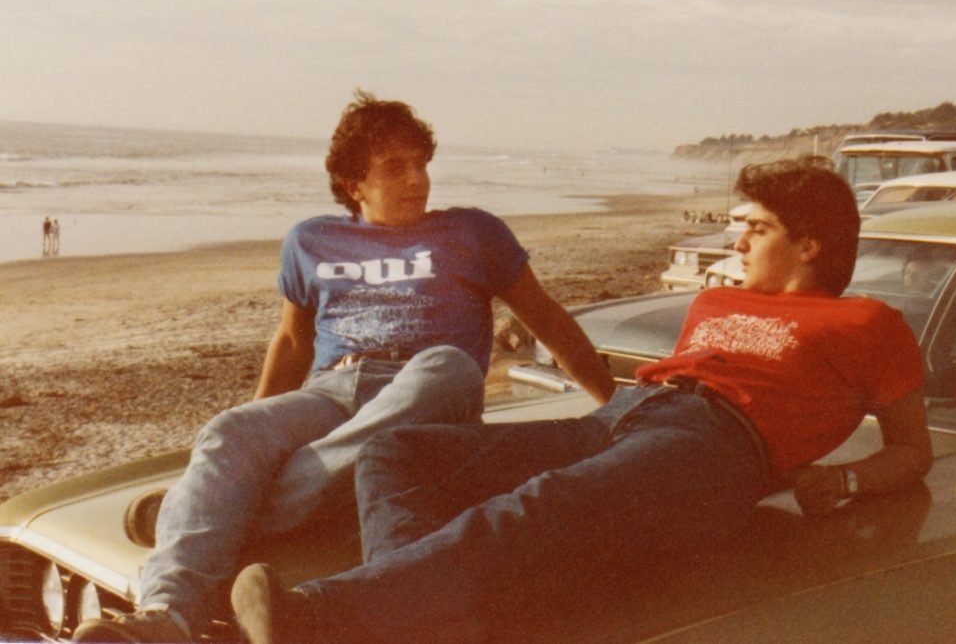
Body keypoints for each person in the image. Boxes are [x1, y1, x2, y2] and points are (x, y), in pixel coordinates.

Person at [228, 156, 933, 644]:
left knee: (542, 506)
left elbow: (912, 450)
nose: (737, 237)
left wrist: (844, 478)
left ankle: (319, 619)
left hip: (719, 445)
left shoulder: (868, 323)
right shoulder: (716, 299)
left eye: (756, 227)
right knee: (398, 452)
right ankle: (415, 616)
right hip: (629, 414)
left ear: (809, 244)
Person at [74, 91, 613, 643]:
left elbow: (546, 317)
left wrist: (612, 405)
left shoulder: (474, 233)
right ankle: (168, 616)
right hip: (334, 391)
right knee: (228, 431)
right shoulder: (310, 240)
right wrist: (253, 441)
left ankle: (206, 510)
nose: (418, 180)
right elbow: (291, 342)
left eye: (422, 164)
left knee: (448, 365)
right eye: (396, 167)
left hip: (425, 395)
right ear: (355, 185)